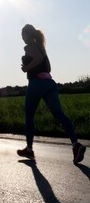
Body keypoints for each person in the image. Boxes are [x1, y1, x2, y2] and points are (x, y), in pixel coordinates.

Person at [17, 24, 86, 164]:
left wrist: (27, 67)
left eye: (22, 34)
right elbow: (47, 66)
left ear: (28, 35)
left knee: (29, 115)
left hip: (37, 83)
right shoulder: (41, 47)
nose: (22, 37)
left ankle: (29, 149)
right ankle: (75, 144)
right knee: (60, 114)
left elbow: (37, 59)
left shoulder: (29, 46)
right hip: (49, 83)